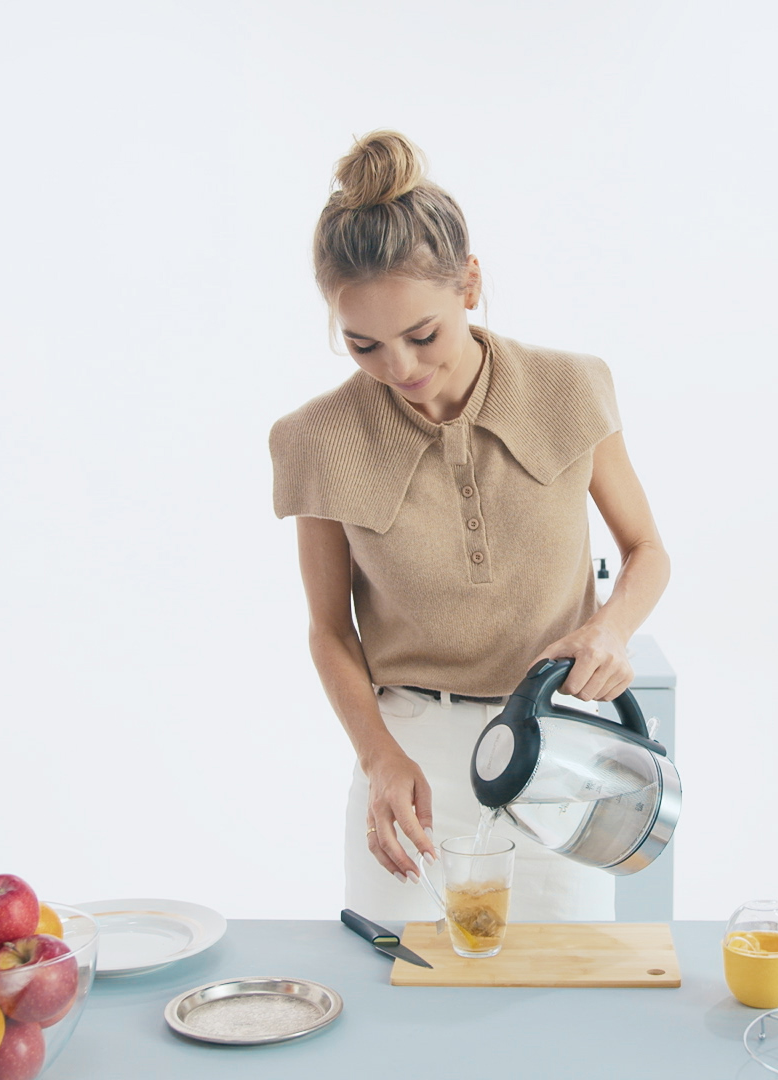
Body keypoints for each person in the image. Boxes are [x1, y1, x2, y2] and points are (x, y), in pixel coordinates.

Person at [269, 130, 670, 922]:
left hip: (559, 743)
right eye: (363, 345)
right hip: (410, 756)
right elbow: (328, 628)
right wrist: (378, 757)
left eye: (423, 335)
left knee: (560, 996)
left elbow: (646, 552)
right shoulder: (316, 440)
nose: (401, 369)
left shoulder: (571, 388)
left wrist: (611, 630)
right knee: (401, 1002)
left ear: (470, 284)